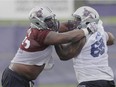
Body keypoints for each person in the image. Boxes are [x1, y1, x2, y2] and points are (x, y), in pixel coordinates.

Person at [1, 6, 97, 87]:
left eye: (51, 19)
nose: (51, 22)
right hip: (15, 78)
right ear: (38, 22)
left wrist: (80, 23)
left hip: (19, 78)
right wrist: (86, 30)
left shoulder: (40, 28)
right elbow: (65, 37)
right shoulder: (40, 33)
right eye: (48, 20)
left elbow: (65, 26)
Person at [55, 6, 115, 87]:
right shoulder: (101, 31)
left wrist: (55, 39)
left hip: (90, 81)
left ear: (86, 21)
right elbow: (111, 39)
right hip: (108, 80)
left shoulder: (82, 37)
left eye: (78, 19)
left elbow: (64, 55)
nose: (75, 22)